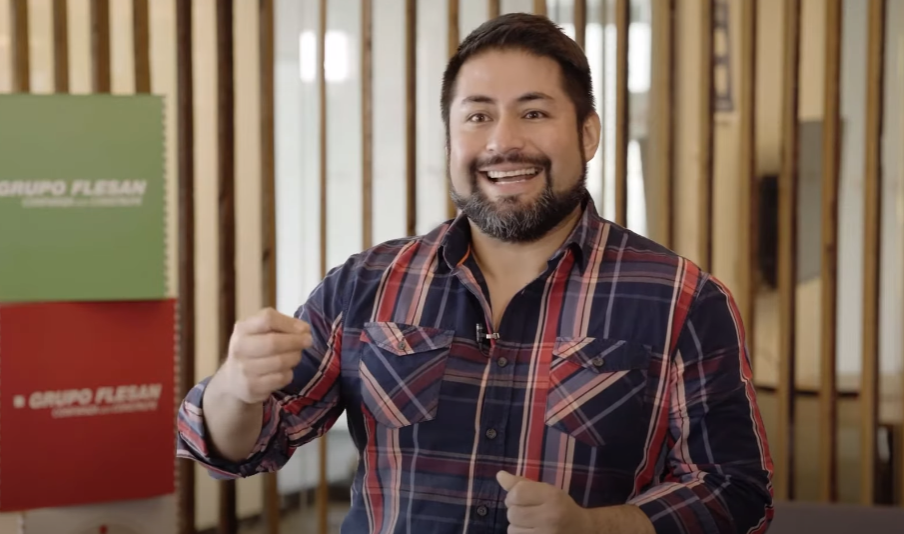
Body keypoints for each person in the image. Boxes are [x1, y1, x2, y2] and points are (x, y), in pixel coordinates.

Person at [176, 12, 774, 534]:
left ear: (587, 134)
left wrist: (598, 528)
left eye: (534, 112)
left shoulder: (683, 299)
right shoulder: (366, 285)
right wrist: (235, 386)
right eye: (478, 116)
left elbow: (735, 490)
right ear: (449, 141)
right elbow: (242, 448)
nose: (503, 142)